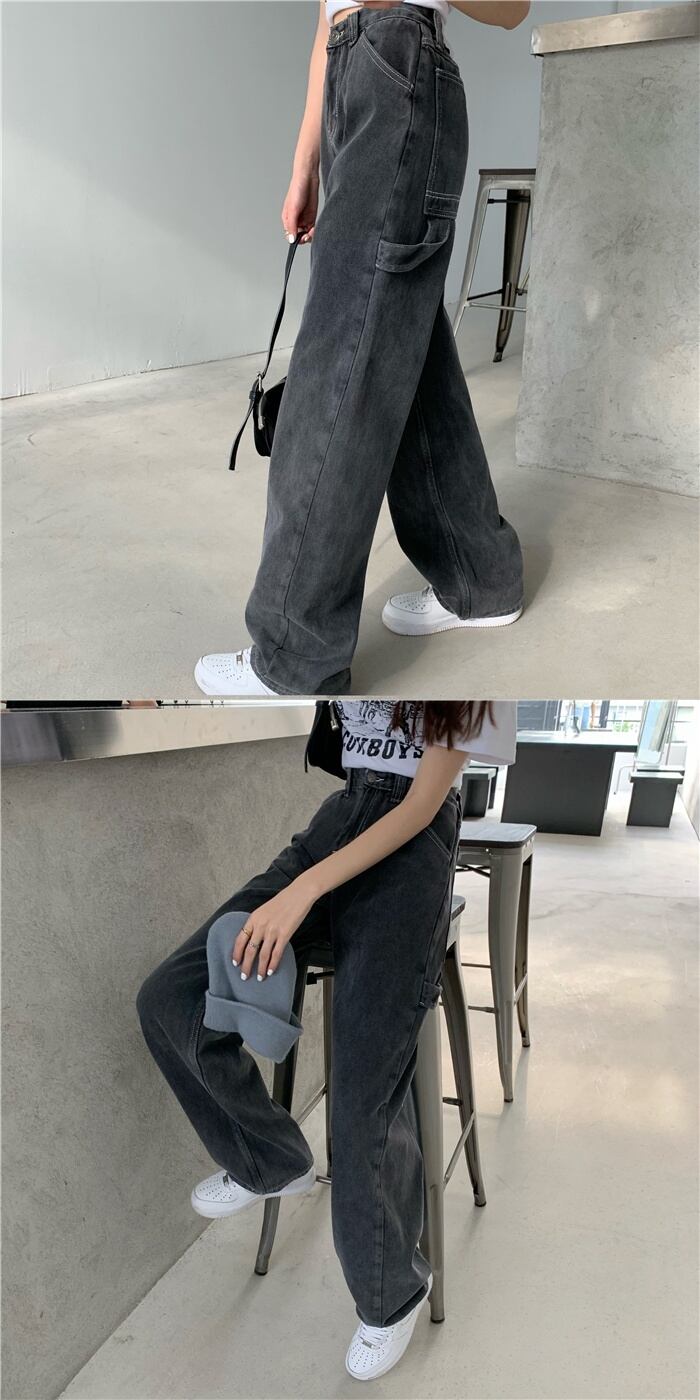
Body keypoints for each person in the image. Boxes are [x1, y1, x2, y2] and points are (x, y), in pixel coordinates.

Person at [137, 699, 516, 1381]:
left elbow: (424, 802)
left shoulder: (474, 665)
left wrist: (301, 893)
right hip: (341, 818)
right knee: (171, 995)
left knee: (362, 1099)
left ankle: (392, 1295)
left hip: (414, 844)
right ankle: (271, 1158)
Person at [193, 0, 529, 697]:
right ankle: (478, 576)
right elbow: (328, 22)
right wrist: (305, 166)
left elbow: (512, 8)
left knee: (338, 367)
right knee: (404, 347)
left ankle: (297, 651)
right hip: (357, 77)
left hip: (398, 66)